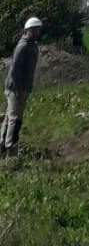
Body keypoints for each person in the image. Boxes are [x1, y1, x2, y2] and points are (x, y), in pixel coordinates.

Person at [2, 17, 42, 158]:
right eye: (35, 30)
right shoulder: (22, 46)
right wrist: (18, 90)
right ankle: (10, 148)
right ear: (28, 30)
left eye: (38, 30)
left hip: (23, 88)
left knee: (10, 118)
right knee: (15, 119)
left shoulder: (32, 46)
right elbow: (14, 70)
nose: (37, 32)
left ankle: (2, 145)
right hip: (15, 89)